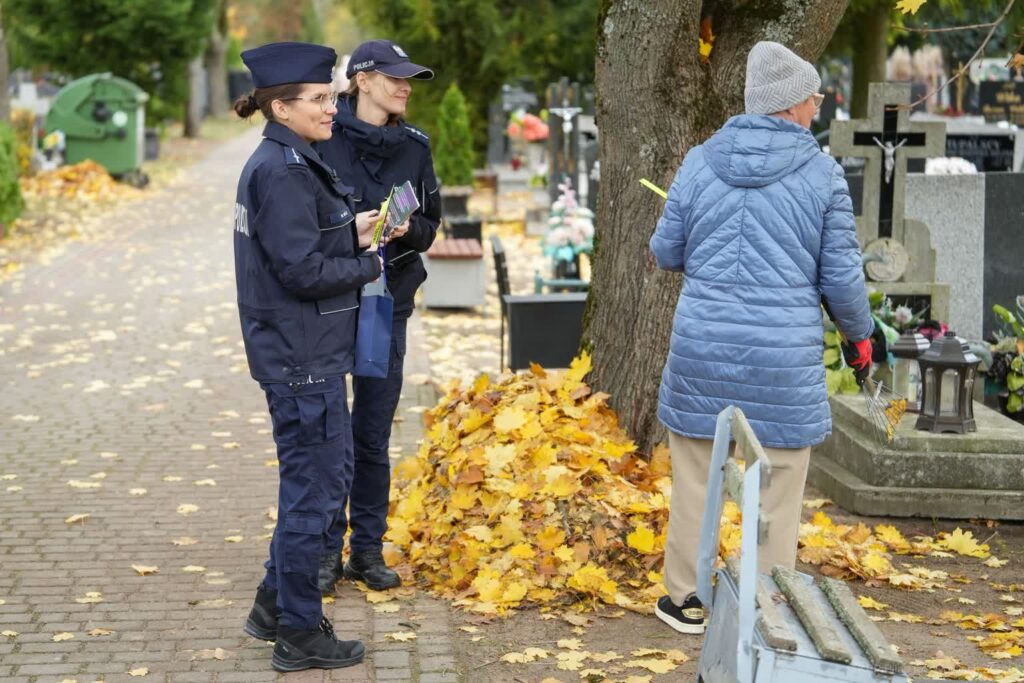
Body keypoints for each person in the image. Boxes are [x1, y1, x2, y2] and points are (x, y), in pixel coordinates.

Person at [648, 41, 874, 635]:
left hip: (703, 349)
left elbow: (665, 250)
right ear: (792, 103)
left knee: (696, 477)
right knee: (776, 487)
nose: (818, 109)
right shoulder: (823, 174)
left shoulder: (699, 161)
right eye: (814, 98)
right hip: (781, 359)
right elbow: (843, 277)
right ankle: (767, 606)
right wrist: (861, 337)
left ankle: (685, 600)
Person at [231, 41, 383, 672]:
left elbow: (297, 241)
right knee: (313, 497)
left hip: (305, 351)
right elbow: (299, 269)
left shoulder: (290, 160)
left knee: (318, 481)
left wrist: (353, 229)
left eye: (330, 95)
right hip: (302, 357)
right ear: (282, 106)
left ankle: (272, 605)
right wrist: (368, 262)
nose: (331, 107)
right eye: (320, 99)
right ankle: (298, 631)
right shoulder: (283, 170)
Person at [315, 39, 441, 593]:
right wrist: (353, 231)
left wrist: (405, 228)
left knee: (370, 433)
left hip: (387, 308)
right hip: (327, 305)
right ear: (362, 80)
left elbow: (431, 226)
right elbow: (302, 228)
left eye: (409, 77)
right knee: (326, 435)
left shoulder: (415, 148)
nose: (405, 85)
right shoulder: (320, 139)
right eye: (394, 76)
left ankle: (366, 549)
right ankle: (323, 551)